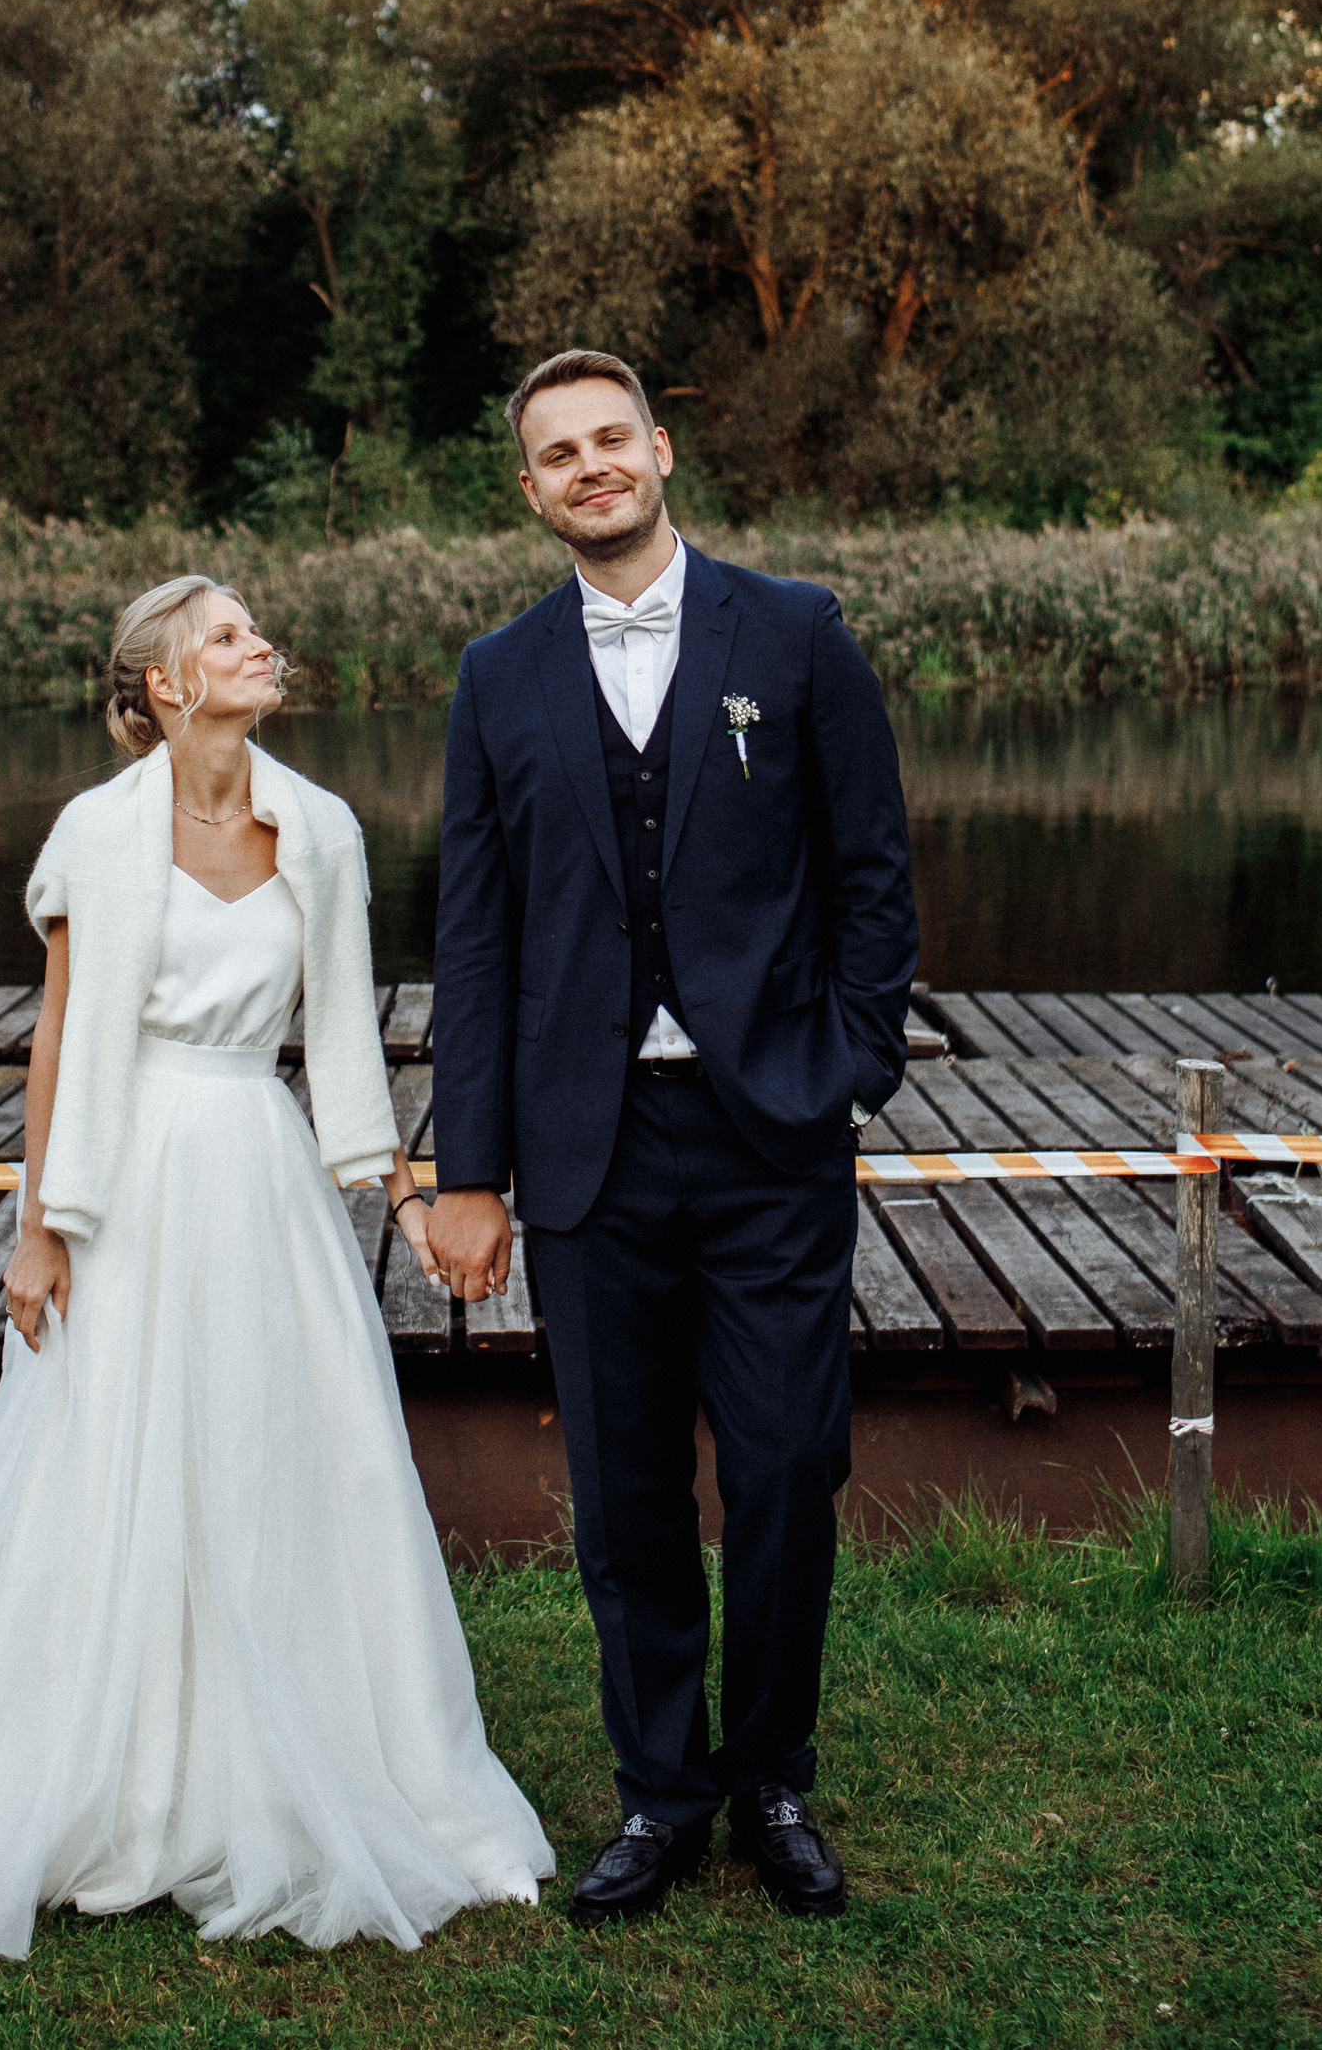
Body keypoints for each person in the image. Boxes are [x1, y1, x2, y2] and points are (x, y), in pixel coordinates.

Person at [0, 575, 552, 1956]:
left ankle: (282, 1768)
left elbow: (342, 1034)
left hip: (259, 1169)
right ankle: (99, 1770)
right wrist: (39, 1223)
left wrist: (397, 1193)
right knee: (110, 1456)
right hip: (128, 1179)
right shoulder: (97, 834)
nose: (258, 645)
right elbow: (57, 1039)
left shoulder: (322, 828)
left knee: (277, 1452)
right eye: (226, 635)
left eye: (255, 629)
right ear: (164, 682)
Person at [428, 354, 917, 1929]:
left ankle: (770, 1778)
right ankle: (658, 1795)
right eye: (554, 454)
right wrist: (469, 1169)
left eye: (608, 440)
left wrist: (851, 1064)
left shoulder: (794, 632)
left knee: (783, 1470)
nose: (588, 468)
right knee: (626, 1493)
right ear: (530, 491)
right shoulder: (496, 675)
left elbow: (870, 871)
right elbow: (475, 940)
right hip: (586, 1149)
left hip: (771, 1129)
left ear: (658, 449)